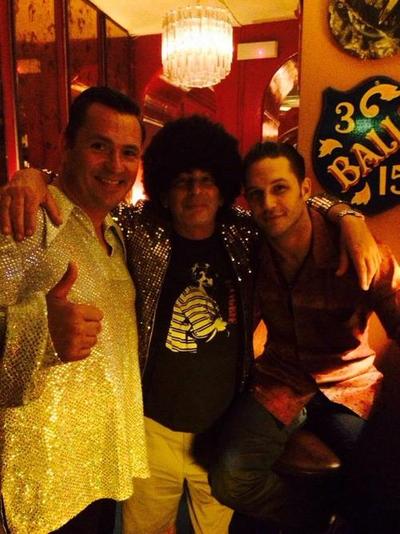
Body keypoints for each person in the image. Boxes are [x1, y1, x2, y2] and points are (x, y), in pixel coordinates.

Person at [0, 117, 381, 534]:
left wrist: (347, 216)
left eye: (207, 180)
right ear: (164, 188)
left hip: (219, 429)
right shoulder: (137, 229)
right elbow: (89, 189)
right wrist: (34, 177)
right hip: (151, 431)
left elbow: (293, 208)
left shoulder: (246, 234)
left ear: (223, 186)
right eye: (183, 182)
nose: (196, 192)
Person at [209, 141, 400, 531]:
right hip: (280, 381)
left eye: (280, 188)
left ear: (305, 190)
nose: (269, 204)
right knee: (229, 478)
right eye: (257, 194)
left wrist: (348, 218)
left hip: (349, 385)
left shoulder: (359, 251)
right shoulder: (252, 254)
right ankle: (316, 519)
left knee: (386, 484)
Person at [0, 87, 149, 534]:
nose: (116, 166)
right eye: (99, 146)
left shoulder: (119, 234)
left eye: (129, 152)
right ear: (67, 145)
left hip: (102, 466)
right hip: (40, 485)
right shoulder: (29, 218)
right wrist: (43, 331)